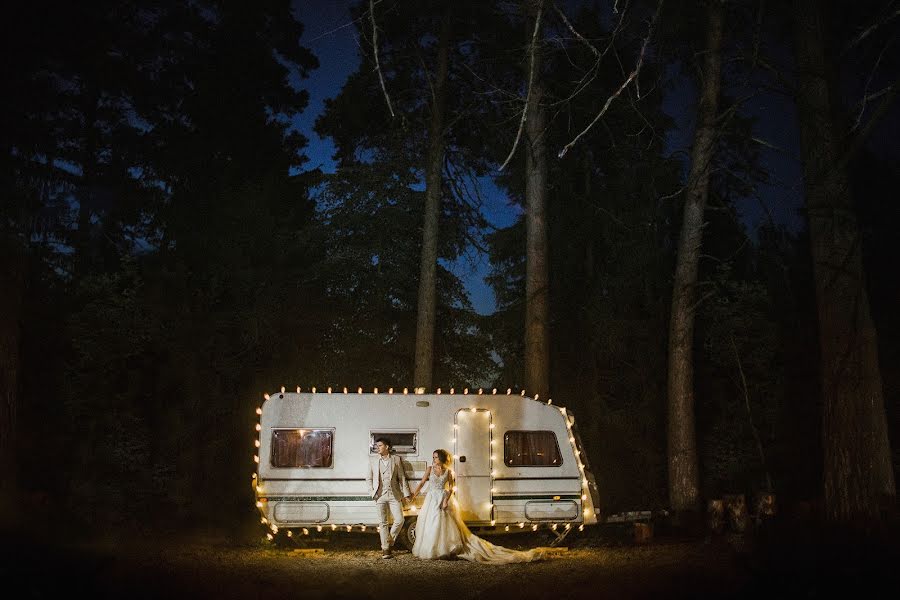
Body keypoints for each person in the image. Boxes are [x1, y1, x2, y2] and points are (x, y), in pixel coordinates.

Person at [409, 449, 543, 563]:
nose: (434, 459)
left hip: (443, 498)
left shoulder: (448, 472)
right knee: (432, 522)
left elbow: (451, 487)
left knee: (442, 523)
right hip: (432, 498)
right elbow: (421, 483)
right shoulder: (430, 469)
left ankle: (444, 549)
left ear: (442, 458)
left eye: (436, 457)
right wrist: (414, 494)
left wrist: (446, 499)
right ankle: (431, 549)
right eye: (433, 457)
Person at [366, 437, 411, 559]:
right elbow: (369, 478)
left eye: (380, 445)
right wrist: (372, 493)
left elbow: (401, 478)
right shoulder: (373, 460)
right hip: (379, 495)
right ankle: (385, 549)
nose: (377, 448)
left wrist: (406, 494)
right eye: (377, 446)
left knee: (400, 520)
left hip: (394, 494)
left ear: (387, 447)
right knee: (383, 522)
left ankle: (389, 541)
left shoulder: (396, 459)